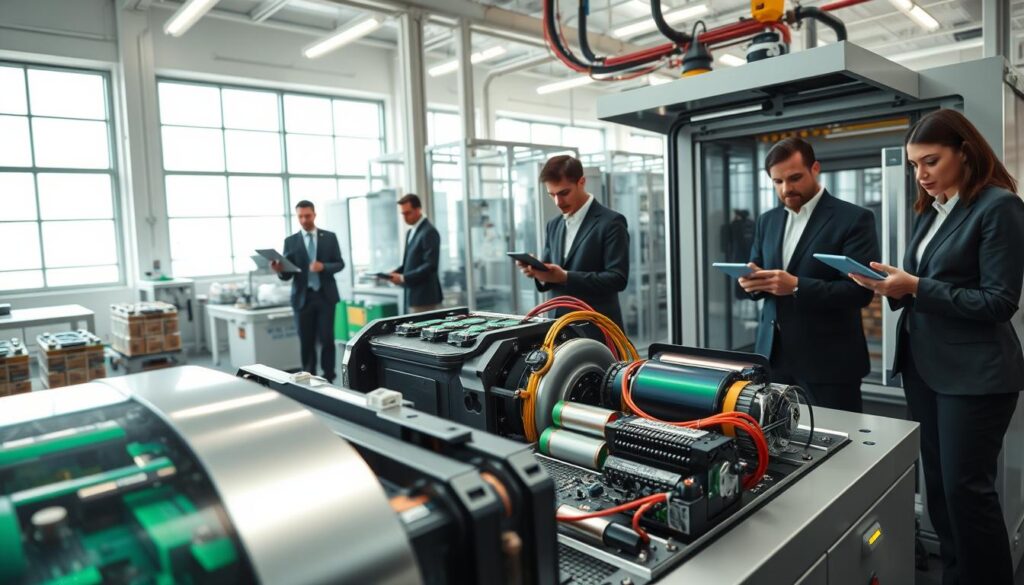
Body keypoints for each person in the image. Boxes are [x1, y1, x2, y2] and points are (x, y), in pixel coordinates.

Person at [848, 109, 1024, 585]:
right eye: (913, 165)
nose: (921, 175)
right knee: (942, 494)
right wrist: (891, 286)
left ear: (964, 153)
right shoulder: (933, 210)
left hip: (976, 375)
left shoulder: (999, 206)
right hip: (927, 369)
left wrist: (916, 287)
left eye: (930, 161)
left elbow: (999, 301)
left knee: (969, 496)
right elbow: (926, 284)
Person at [738, 137, 879, 412]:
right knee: (777, 433)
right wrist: (751, 282)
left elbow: (859, 292)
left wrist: (796, 286)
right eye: (777, 181)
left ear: (815, 169)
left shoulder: (854, 218)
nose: (786, 189)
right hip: (773, 357)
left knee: (838, 435)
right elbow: (758, 268)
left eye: (794, 178)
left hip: (829, 361)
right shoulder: (767, 220)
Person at [517, 155, 629, 330]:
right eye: (552, 195)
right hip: (558, 327)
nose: (558, 202)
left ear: (581, 182)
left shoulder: (611, 222)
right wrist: (538, 271)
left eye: (564, 193)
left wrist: (565, 276)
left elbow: (617, 279)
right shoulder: (553, 225)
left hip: (597, 328)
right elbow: (551, 273)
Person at [271, 200, 345, 382]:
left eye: (307, 216)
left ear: (314, 214)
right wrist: (280, 270)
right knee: (306, 341)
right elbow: (288, 275)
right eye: (300, 216)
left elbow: (339, 263)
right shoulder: (290, 242)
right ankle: (308, 376)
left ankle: (329, 377)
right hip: (302, 298)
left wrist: (323, 266)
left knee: (327, 340)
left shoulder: (329, 237)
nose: (304, 220)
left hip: (325, 296)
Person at [388, 194, 442, 313]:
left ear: (418, 210)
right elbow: (409, 263)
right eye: (403, 214)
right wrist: (395, 273)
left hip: (425, 298)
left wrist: (403, 278)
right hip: (412, 295)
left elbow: (430, 265)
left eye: (408, 213)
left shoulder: (429, 232)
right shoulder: (410, 232)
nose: (405, 217)